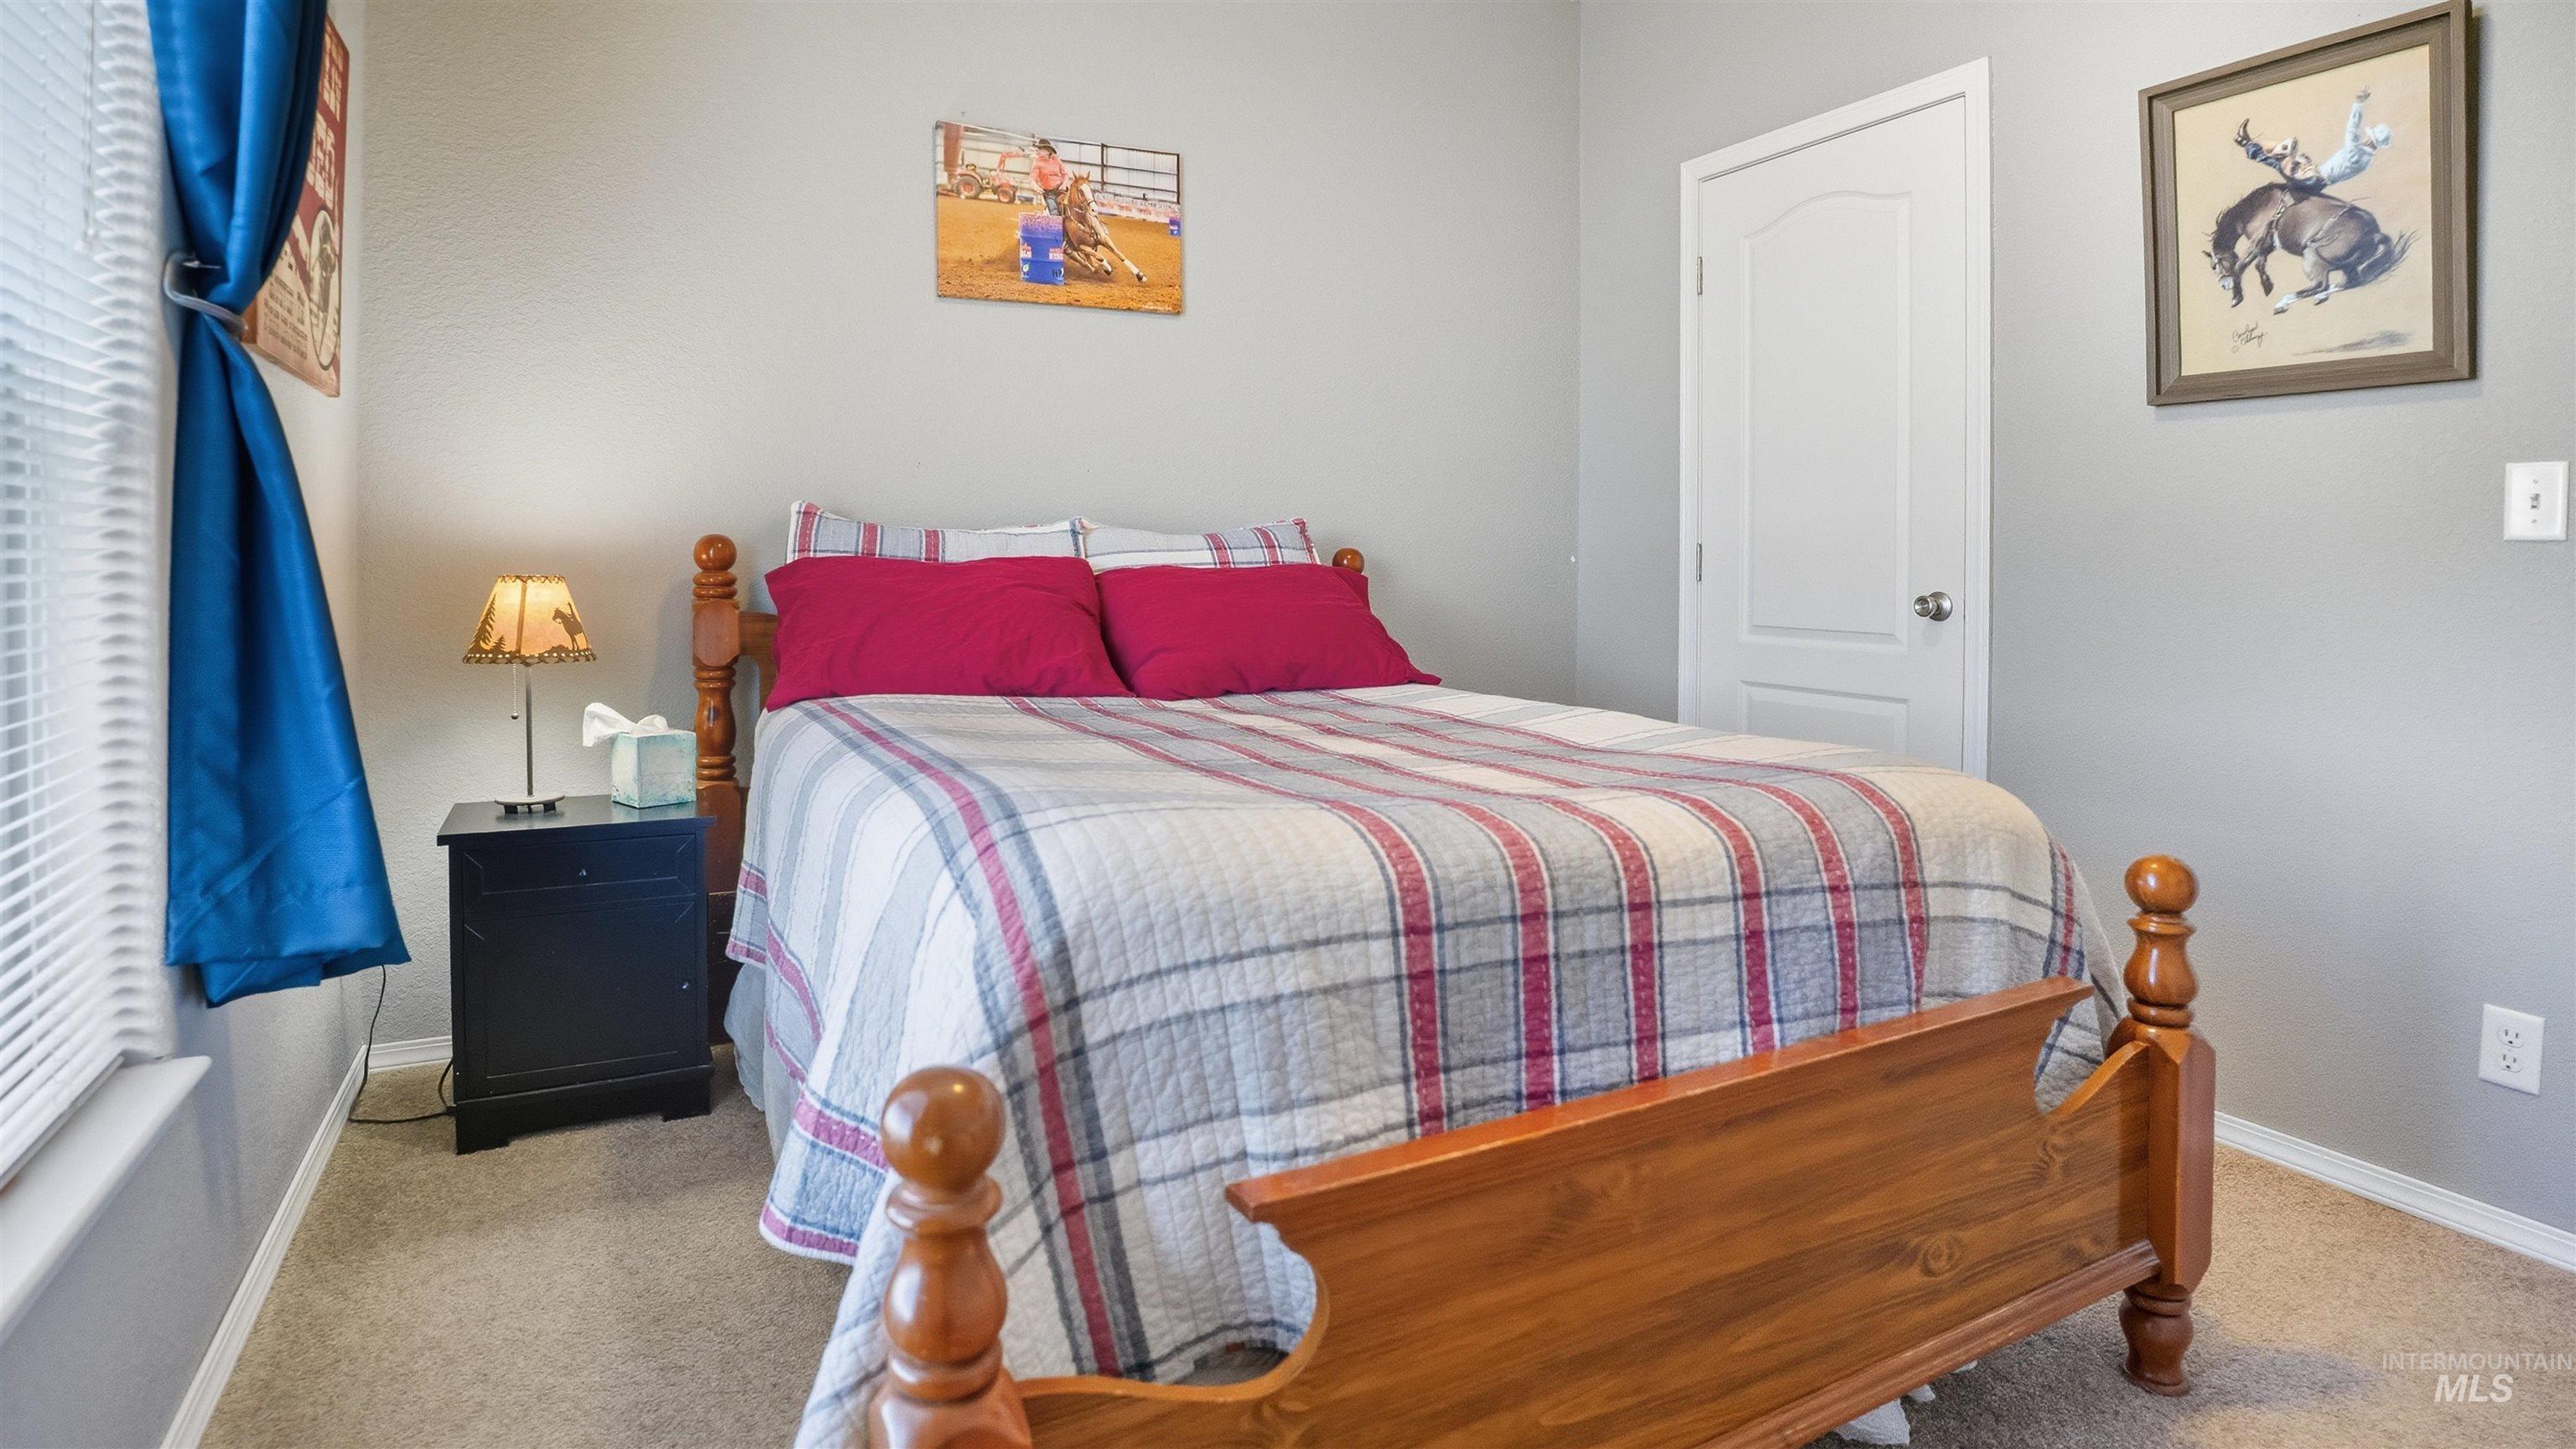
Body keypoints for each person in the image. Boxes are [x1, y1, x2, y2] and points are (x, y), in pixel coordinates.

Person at [2312, 89, 2392, 187]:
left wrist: (2358, 104)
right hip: (2320, 178)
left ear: (2370, 140)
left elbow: (2352, 132)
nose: (2364, 138)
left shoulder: (2358, 155)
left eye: (2368, 136)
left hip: (2317, 179)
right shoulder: (2366, 159)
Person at [1031, 139, 1069, 216]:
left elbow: (1065, 175)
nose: (1038, 151)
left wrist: (1064, 185)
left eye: (1041, 149)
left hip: (1061, 190)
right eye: (1039, 149)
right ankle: (1057, 226)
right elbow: (1032, 179)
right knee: (1053, 210)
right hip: (1048, 193)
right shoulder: (1037, 163)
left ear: (1048, 151)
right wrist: (1036, 187)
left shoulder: (1057, 160)